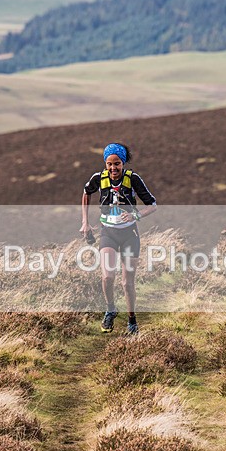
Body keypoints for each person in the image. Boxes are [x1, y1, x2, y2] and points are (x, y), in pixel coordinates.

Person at [80, 142, 157, 334]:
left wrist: (135, 215)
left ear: (123, 163)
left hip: (129, 234)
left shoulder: (133, 179)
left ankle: (132, 320)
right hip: (108, 233)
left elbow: (152, 205)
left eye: (117, 164)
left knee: (127, 282)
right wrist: (85, 222)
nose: (113, 168)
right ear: (105, 164)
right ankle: (111, 309)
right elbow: (86, 193)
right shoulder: (98, 178)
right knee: (107, 276)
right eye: (109, 164)